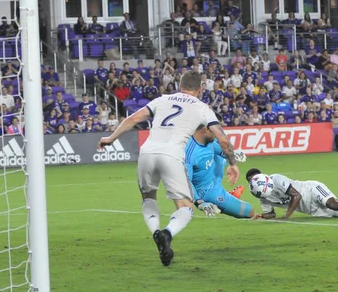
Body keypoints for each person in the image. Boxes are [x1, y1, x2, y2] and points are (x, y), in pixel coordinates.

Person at [97, 71, 239, 266]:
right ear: (200, 89)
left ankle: (156, 231)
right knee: (186, 208)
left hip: (146, 153)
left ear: (179, 85)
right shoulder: (202, 107)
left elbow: (132, 119)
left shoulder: (161, 100)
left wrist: (110, 138)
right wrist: (232, 163)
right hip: (172, 156)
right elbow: (222, 138)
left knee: (148, 198)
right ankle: (167, 233)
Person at [246, 168, 338, 219]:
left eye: (253, 179)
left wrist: (287, 216)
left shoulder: (276, 179)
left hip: (311, 190)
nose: (252, 182)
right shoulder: (261, 196)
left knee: (334, 204)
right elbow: (272, 214)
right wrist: (263, 216)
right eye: (250, 181)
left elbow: (297, 196)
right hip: (311, 210)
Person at [185, 122, 252, 219]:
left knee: (220, 150)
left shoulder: (208, 141)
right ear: (206, 129)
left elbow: (222, 151)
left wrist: (232, 158)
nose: (217, 135)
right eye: (215, 131)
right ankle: (225, 199)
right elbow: (186, 181)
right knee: (249, 211)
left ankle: (229, 195)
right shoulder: (190, 154)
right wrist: (199, 202)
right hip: (207, 192)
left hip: (214, 179)